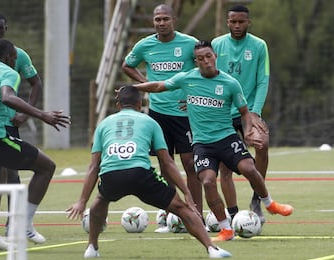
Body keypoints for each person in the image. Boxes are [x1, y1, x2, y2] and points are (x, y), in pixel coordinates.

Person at [133, 40, 293, 242]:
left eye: (208, 56)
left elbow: (244, 113)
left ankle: (269, 204)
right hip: (202, 144)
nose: (205, 61)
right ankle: (226, 230)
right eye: (200, 58)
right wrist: (132, 87)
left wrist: (249, 132)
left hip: (226, 138)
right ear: (196, 61)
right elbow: (158, 85)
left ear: (215, 56)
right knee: (208, 181)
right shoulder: (186, 78)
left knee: (249, 168)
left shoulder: (230, 83)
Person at [66, 85, 231, 259]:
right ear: (139, 104)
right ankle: (212, 249)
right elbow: (166, 162)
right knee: (181, 208)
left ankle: (92, 248)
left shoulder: (103, 124)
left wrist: (82, 201)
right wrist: (186, 193)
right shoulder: (150, 122)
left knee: (99, 202)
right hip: (140, 175)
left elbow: (94, 166)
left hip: (111, 176)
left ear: (117, 104)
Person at [121, 4, 203, 232]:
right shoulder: (145, 45)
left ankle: (198, 216)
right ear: (153, 22)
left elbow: (205, 68)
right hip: (157, 114)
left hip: (184, 114)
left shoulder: (189, 43)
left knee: (190, 164)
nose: (161, 23)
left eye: (165, 19)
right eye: (157, 19)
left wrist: (194, 93)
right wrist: (145, 85)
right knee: (166, 166)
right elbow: (127, 65)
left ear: (174, 20)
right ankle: (172, 215)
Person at [0, 39, 70, 250]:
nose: (16, 62)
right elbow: (7, 98)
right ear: (8, 58)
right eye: (14, 58)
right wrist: (43, 115)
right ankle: (22, 225)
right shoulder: (8, 72)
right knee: (46, 166)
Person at [0, 10, 43, 247]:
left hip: (6, 124)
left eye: (0, 27)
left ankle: (14, 227)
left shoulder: (16, 55)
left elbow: (36, 83)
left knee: (10, 175)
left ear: (6, 29)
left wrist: (25, 113)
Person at [211, 5, 270, 223]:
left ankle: (257, 199)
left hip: (250, 111)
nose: (237, 25)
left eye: (241, 22)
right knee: (225, 168)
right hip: (224, 113)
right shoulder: (217, 44)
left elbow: (263, 80)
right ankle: (234, 214)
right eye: (233, 22)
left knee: (262, 144)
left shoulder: (258, 46)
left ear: (248, 22)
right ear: (227, 22)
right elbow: (207, 76)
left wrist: (255, 112)